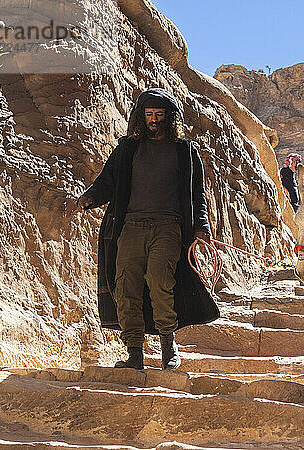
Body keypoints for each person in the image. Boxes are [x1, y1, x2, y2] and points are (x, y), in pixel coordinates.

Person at [78, 88, 218, 371]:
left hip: (168, 226)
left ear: (170, 117)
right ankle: (134, 354)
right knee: (126, 285)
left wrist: (202, 227)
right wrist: (89, 197)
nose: (154, 119)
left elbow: (197, 195)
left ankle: (168, 346)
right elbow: (106, 181)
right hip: (130, 226)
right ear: (141, 117)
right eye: (149, 114)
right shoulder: (127, 148)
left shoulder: (185, 151)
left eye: (160, 114)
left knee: (159, 280)